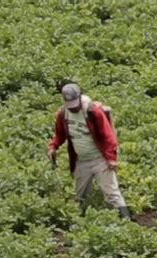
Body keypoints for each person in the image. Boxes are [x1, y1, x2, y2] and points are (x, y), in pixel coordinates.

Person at [48, 83, 131, 220]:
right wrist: (53, 147)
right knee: (80, 195)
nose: (73, 108)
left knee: (111, 192)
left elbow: (107, 136)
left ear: (79, 98)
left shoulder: (92, 111)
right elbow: (60, 134)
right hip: (81, 160)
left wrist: (111, 158)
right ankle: (79, 221)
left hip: (100, 159)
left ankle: (126, 221)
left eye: (75, 104)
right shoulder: (63, 114)